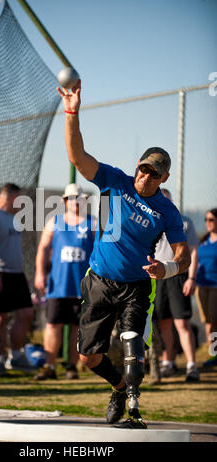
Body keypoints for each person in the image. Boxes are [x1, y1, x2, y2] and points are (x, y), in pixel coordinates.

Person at [57, 80, 191, 428]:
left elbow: (183, 254)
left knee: (133, 344)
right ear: (138, 165)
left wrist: (168, 269)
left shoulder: (167, 211)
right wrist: (71, 111)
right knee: (88, 357)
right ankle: (118, 387)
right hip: (99, 280)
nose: (146, 176)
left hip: (136, 287)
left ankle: (134, 406)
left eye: (154, 173)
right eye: (144, 168)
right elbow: (77, 156)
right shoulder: (114, 181)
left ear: (164, 177)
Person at [34, 183, 95, 380]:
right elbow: (43, 248)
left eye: (80, 198)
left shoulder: (92, 223)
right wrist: (40, 274)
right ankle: (49, 366)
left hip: (83, 286)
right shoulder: (54, 222)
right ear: (65, 201)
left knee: (78, 327)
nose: (76, 202)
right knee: (53, 324)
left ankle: (72, 366)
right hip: (58, 284)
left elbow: (100, 252)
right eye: (72, 198)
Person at [0, 183, 34, 372]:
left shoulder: (14, 218)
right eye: (19, 199)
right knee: (0, 317)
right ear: (10, 198)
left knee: (26, 314)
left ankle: (16, 356)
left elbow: (14, 250)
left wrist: (22, 273)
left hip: (16, 274)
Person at [154, 189, 200, 381]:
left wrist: (191, 278)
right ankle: (168, 363)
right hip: (156, 278)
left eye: (167, 200)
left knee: (181, 322)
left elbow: (194, 251)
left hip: (177, 275)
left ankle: (191, 366)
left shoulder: (184, 221)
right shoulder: (152, 221)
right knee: (163, 323)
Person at [195, 208, 217, 367]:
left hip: (216, 286)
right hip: (201, 285)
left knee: (214, 321)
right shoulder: (203, 241)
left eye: (211, 219)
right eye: (206, 220)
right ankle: (213, 353)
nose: (208, 223)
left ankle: (214, 354)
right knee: (208, 322)